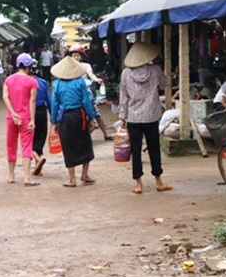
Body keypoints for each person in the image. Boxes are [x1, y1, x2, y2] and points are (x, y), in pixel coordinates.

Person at [117, 42, 172, 195]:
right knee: (154, 149)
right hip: (152, 115)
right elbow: (164, 84)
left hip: (133, 117)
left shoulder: (126, 74)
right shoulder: (155, 70)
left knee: (135, 150)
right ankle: (158, 181)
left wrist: (122, 117)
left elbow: (124, 97)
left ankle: (139, 184)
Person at [49, 55, 97, 188]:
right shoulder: (80, 82)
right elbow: (86, 101)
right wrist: (91, 118)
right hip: (79, 116)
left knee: (68, 145)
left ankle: (72, 179)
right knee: (85, 143)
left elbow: (55, 104)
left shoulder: (57, 84)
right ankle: (84, 174)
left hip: (65, 117)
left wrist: (53, 122)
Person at [4, 53, 41, 185]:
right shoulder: (32, 81)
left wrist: (13, 112)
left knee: (11, 144)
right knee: (27, 146)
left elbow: (5, 97)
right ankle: (27, 177)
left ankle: (11, 175)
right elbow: (32, 101)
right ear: (28, 66)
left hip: (11, 117)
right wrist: (32, 120)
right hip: (25, 117)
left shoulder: (8, 80)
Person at [69, 46, 112, 141]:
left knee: (96, 113)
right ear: (70, 57)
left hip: (87, 93)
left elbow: (91, 74)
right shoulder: (68, 68)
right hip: (75, 94)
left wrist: (97, 79)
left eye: (77, 55)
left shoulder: (86, 65)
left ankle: (105, 134)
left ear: (81, 56)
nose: (76, 57)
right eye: (74, 55)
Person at [31, 66, 50, 177]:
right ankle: (38, 166)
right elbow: (48, 99)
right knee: (40, 137)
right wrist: (54, 117)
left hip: (29, 111)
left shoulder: (25, 82)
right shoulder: (43, 82)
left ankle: (38, 159)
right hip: (42, 111)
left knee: (29, 138)